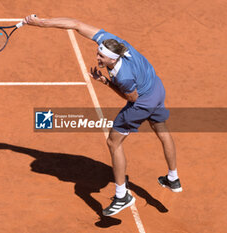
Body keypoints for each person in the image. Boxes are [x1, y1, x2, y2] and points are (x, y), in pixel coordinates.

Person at [23, 15, 182, 217]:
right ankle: (173, 178)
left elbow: (132, 98)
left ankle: (122, 195)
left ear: (113, 59)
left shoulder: (123, 76)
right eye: (98, 53)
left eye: (101, 57)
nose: (97, 58)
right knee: (161, 129)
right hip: (157, 88)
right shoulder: (114, 43)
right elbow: (76, 24)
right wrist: (42, 23)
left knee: (113, 142)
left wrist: (106, 82)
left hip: (142, 101)